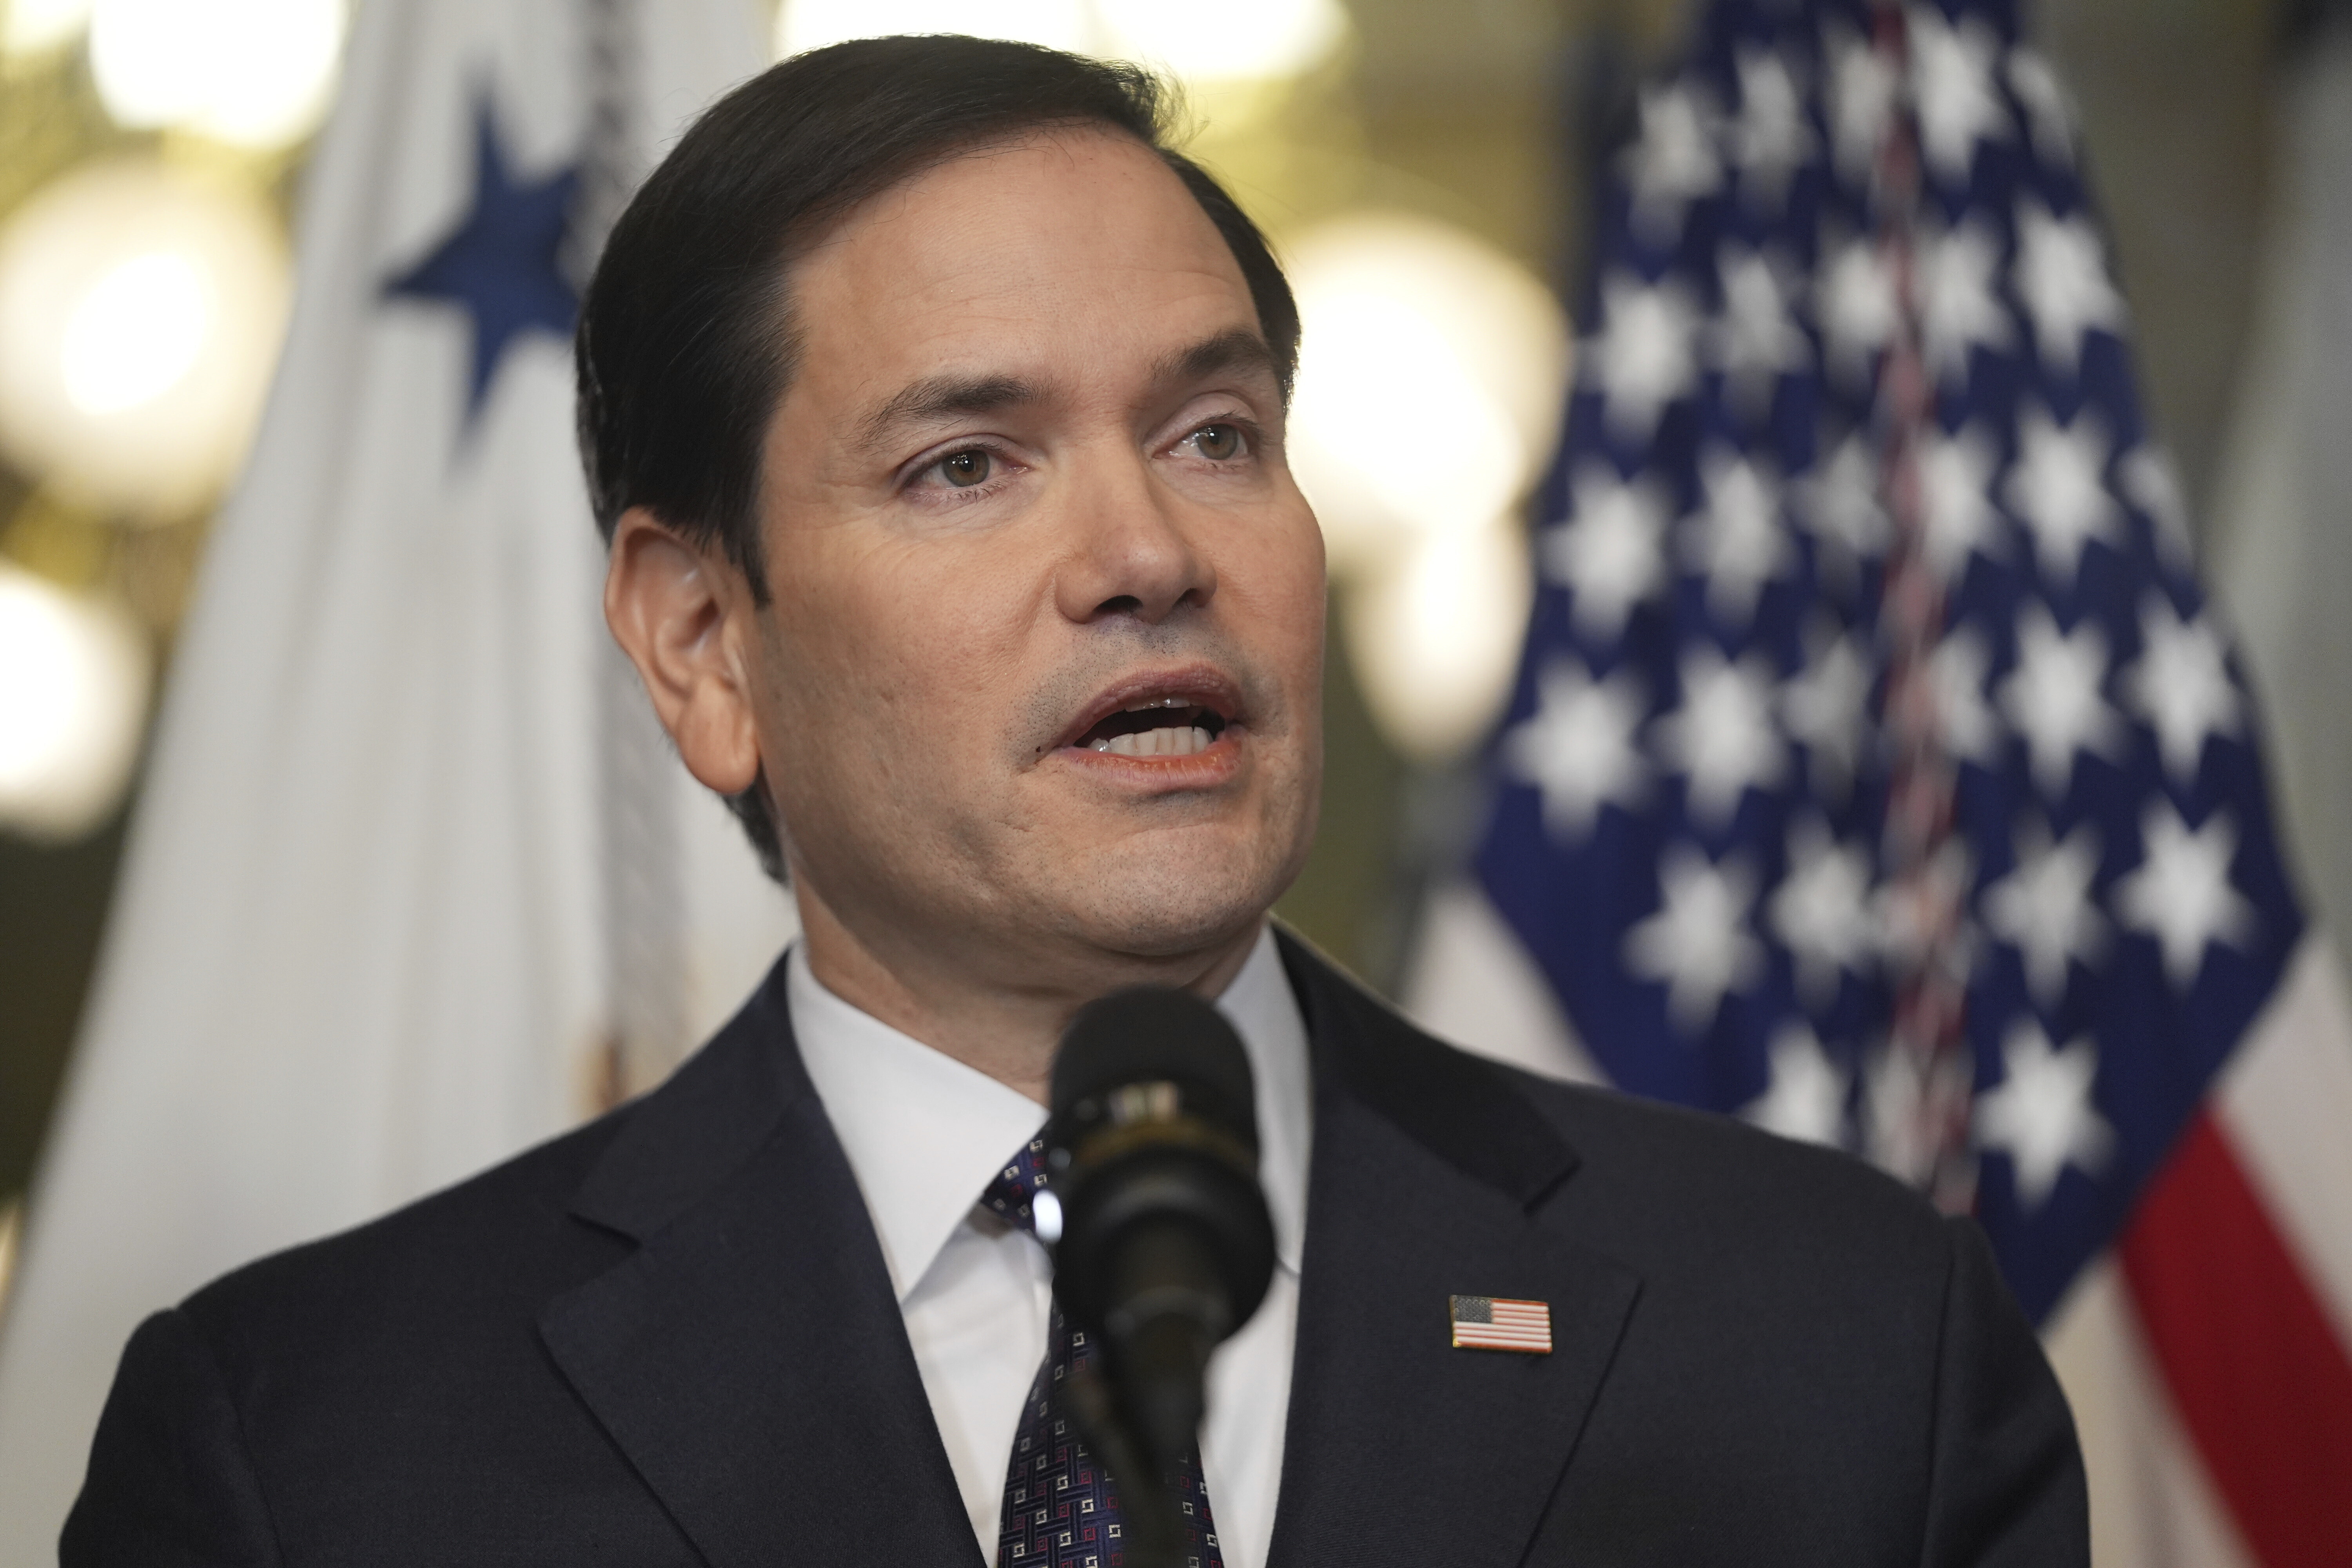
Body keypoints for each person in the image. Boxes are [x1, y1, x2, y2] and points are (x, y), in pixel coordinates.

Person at [63, 35, 2086, 1567]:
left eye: (1216, 433)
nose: (1146, 550)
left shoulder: (1838, 1354)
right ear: (700, 641)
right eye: (968, 462)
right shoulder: (312, 1447)